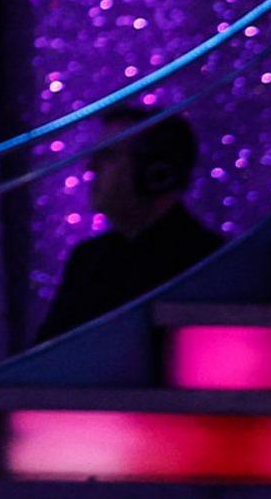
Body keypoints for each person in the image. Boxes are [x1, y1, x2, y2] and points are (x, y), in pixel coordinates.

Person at [36, 107, 219, 342]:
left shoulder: (205, 262)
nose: (91, 167)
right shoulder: (88, 260)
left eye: (109, 156)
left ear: (156, 175)